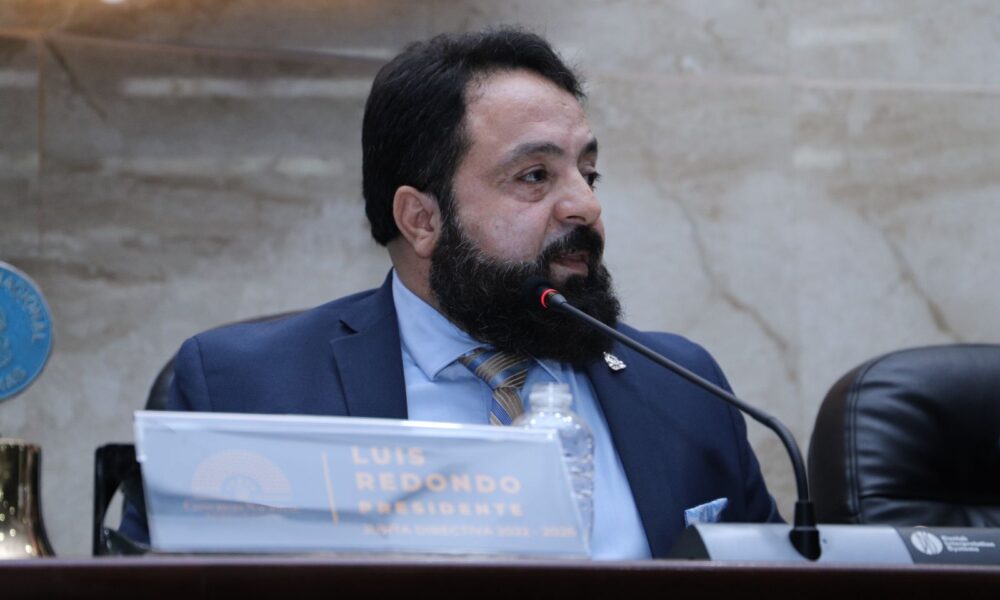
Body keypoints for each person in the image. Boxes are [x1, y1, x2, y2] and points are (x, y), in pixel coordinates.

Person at [119, 27, 780, 558]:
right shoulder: (247, 389)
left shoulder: (684, 387)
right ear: (421, 220)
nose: (584, 205)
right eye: (535, 176)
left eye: (589, 173)